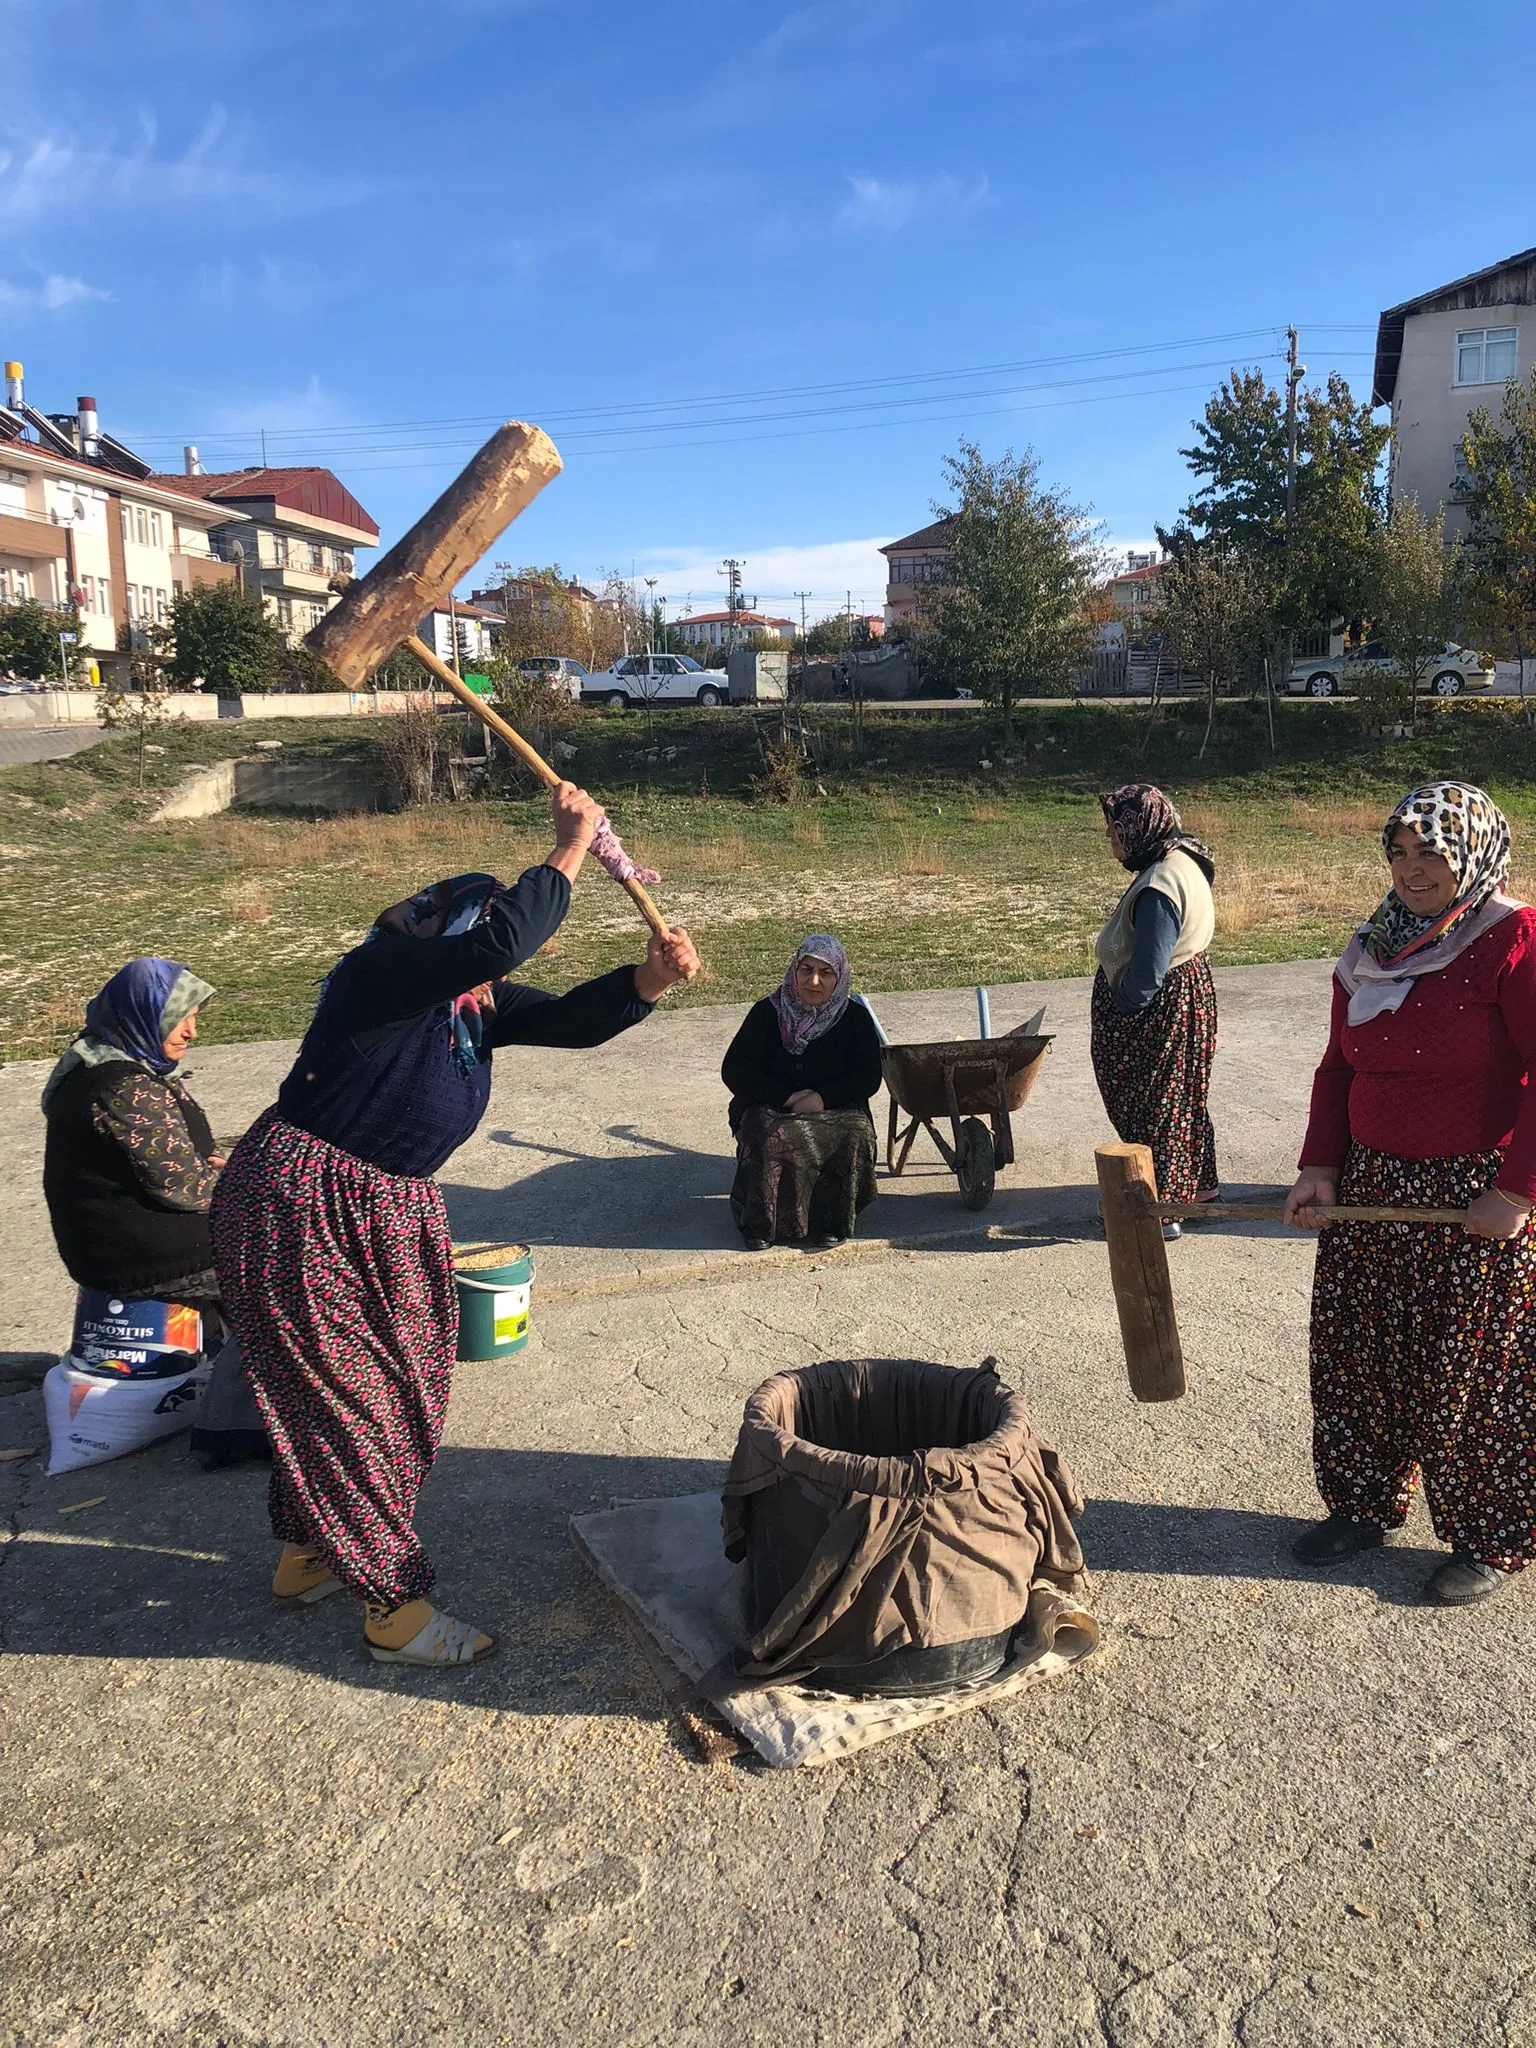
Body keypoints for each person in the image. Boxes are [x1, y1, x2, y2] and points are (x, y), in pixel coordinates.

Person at [211, 781, 699, 1668]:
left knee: (400, 1392)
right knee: (355, 1404)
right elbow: (511, 932)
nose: (498, 967)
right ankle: (393, 1610)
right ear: (447, 932)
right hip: (300, 1208)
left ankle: (314, 1550)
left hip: (382, 1212)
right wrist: (571, 846)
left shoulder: (472, 1005)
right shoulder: (384, 977)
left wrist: (646, 981)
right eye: (481, 940)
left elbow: (566, 1020)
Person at [1284, 781, 1536, 1607]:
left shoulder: (1512, 938)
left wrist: (1519, 1192)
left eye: (1432, 850)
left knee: (1467, 1372)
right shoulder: (1371, 947)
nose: (1412, 868)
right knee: (1359, 1357)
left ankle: (1489, 1537)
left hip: (1475, 1197)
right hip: (1373, 1186)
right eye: (1399, 850)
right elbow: (1336, 1068)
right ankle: (1361, 1505)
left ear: (1472, 851)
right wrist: (1320, 1168)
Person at [42, 958, 222, 1303]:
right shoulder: (125, 1087)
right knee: (292, 1254)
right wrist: (251, 1185)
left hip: (123, 1243)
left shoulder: (102, 1059)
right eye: (179, 1019)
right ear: (145, 1015)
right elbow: (184, 1187)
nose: (191, 1032)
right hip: (140, 1257)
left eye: (194, 1017)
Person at [1091, 783, 1220, 1239]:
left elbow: (1147, 971)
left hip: (1161, 1010)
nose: (1108, 833)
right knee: (1183, 1095)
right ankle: (1198, 1188)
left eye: (1115, 825)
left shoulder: (1160, 885)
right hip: (1187, 994)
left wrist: (1121, 1013)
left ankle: (1159, 1211)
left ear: (1138, 826)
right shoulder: (1182, 858)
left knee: (1154, 1103)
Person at [721, 934, 881, 1252]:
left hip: (833, 1108)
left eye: (826, 973)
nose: (814, 981)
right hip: (771, 1104)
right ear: (794, 971)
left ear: (840, 976)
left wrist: (821, 1099)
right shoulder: (767, 1014)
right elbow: (735, 1069)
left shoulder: (855, 1020)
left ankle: (831, 1220)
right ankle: (761, 1224)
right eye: (806, 970)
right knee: (767, 1133)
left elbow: (868, 1077)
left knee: (854, 1132)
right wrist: (785, 1098)